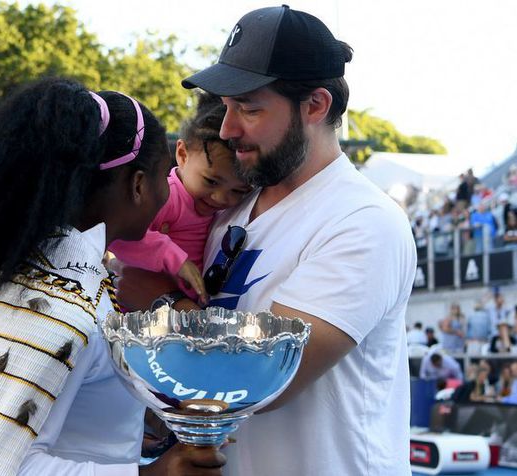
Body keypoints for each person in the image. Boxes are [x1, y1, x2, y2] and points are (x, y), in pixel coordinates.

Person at [119, 6, 416, 476]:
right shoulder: (229, 202)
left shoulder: (363, 221)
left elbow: (265, 377)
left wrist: (157, 300)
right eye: (227, 106)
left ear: (315, 106)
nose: (226, 128)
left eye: (250, 109)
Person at [0, 77, 224, 475]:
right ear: (137, 185)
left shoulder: (24, 273)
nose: (169, 193)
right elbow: (1, 467)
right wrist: (151, 474)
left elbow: (69, 405)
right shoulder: (63, 306)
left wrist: (139, 418)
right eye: (164, 176)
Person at [109, 93, 252, 303]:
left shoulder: (218, 210)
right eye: (211, 181)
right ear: (183, 155)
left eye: (239, 191)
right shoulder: (168, 197)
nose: (221, 198)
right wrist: (172, 257)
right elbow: (117, 234)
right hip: (138, 311)